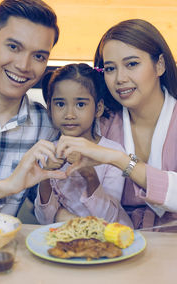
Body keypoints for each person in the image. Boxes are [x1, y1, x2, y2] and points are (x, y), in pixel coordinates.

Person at [55, 19, 177, 231]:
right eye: (110, 68)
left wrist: (117, 159)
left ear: (160, 65)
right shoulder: (101, 123)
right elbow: (69, 189)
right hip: (114, 244)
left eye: (132, 64)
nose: (120, 78)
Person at [0, 0, 66, 216]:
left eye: (38, 56)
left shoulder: (47, 127)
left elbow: (47, 213)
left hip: (3, 250)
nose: (23, 65)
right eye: (14, 47)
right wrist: (6, 186)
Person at [34, 63, 133, 226]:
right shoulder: (48, 152)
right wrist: (45, 176)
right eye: (60, 104)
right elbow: (44, 219)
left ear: (98, 108)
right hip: (66, 239)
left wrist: (89, 173)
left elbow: (110, 218)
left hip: (109, 240)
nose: (69, 114)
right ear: (49, 108)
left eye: (80, 104)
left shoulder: (111, 152)